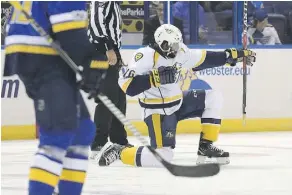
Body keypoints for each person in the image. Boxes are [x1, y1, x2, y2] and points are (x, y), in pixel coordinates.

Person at [97, 24, 256, 167]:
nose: (176, 49)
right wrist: (153, 79)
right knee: (162, 157)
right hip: (157, 112)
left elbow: (203, 59)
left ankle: (205, 146)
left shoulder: (180, 51)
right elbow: (127, 86)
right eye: (172, 45)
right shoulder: (144, 56)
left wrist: (231, 56)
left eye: (177, 44)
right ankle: (120, 151)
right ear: (162, 43)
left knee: (213, 96)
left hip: (178, 104)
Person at [4, 2, 108, 195]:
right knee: (58, 135)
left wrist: (89, 61)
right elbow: (71, 34)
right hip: (41, 57)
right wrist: (91, 60)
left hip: (38, 54)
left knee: (82, 130)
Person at [87, 1, 133, 160]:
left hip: (111, 50)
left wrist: (116, 53)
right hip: (102, 51)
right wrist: (109, 49)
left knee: (119, 96)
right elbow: (96, 24)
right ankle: (98, 143)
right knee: (108, 97)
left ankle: (118, 140)